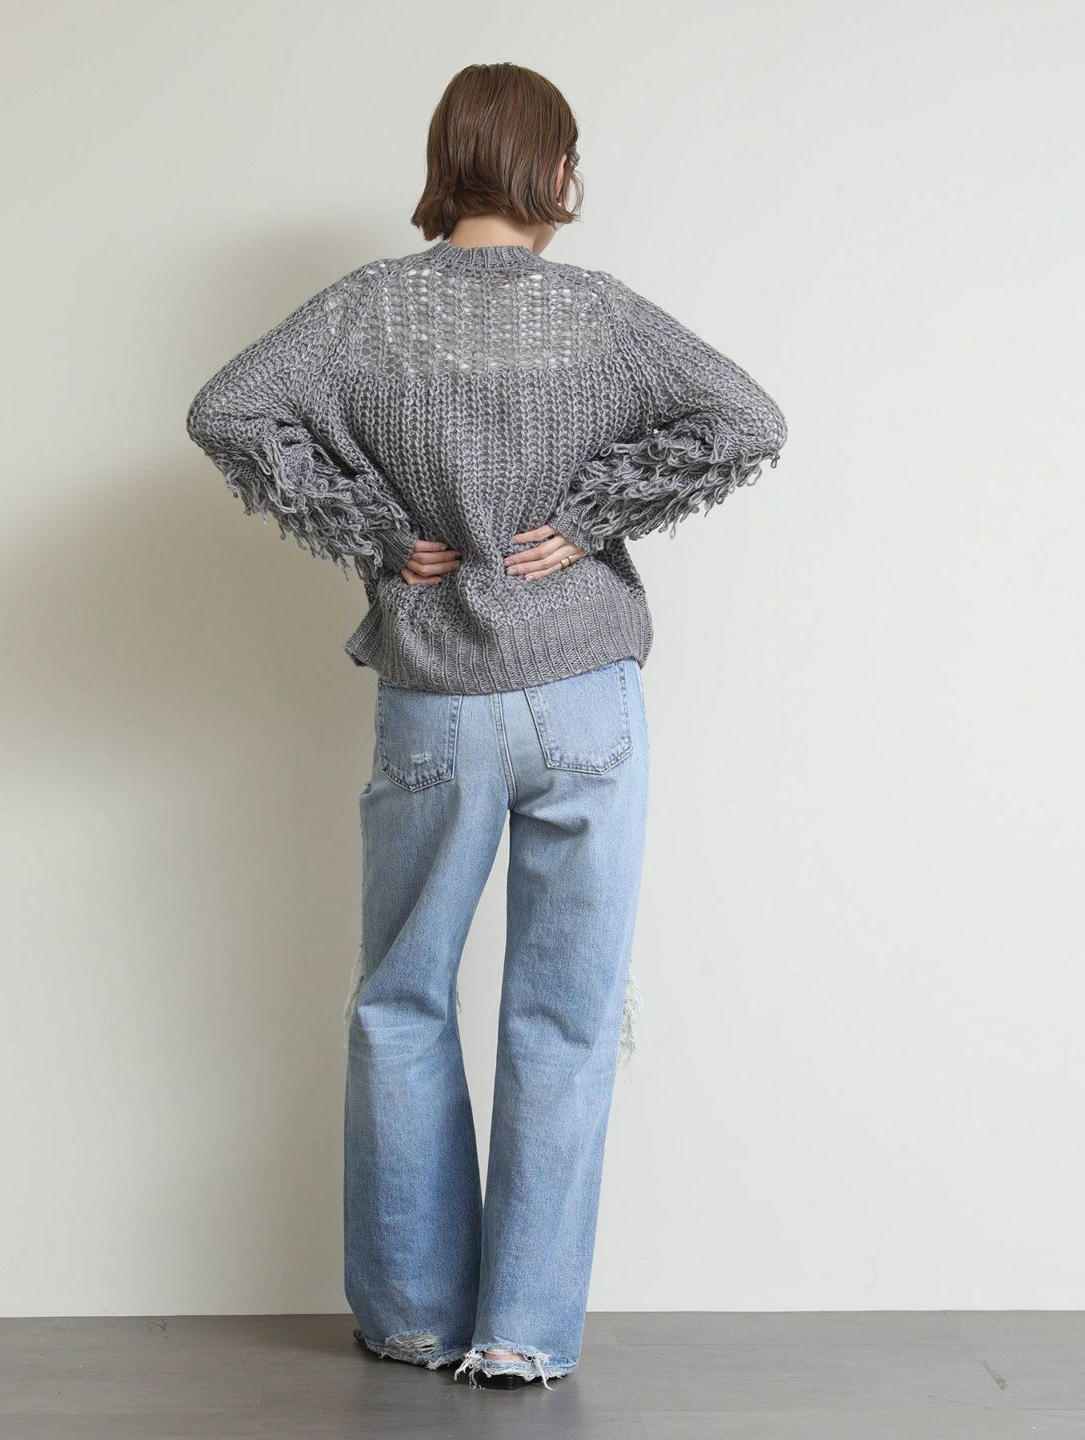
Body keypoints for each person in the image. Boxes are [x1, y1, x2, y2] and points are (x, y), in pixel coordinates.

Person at [185, 61, 788, 1391]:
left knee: (403, 1001)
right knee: (565, 1015)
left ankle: (412, 1316)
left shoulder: (367, 310)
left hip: (438, 698)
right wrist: (588, 520)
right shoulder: (600, 314)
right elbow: (747, 418)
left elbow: (226, 407)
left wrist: (373, 530)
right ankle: (522, 1331)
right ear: (552, 169)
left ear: (448, 158)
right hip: (585, 695)